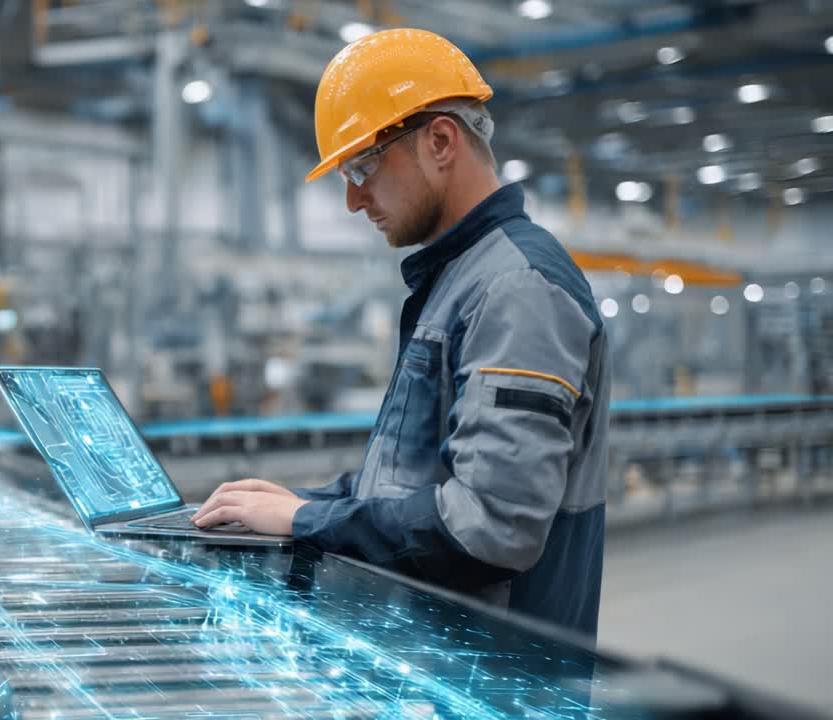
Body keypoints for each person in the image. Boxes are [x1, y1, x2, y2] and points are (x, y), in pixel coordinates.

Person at [190, 28, 611, 637]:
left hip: (494, 679)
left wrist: (306, 520)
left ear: (440, 141)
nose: (353, 200)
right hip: (441, 663)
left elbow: (490, 527)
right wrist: (299, 503)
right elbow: (416, 482)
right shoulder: (461, 279)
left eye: (362, 166)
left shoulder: (519, 288)